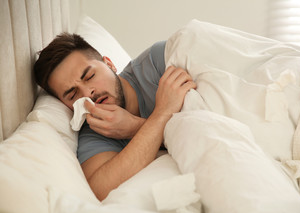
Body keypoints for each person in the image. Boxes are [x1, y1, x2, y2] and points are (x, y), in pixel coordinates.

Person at [34, 33, 196, 201]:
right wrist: (160, 114)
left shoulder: (158, 62)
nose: (88, 93)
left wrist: (135, 126)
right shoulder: (95, 131)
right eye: (73, 94)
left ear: (109, 64)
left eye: (90, 76)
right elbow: (100, 189)